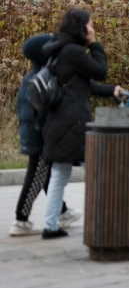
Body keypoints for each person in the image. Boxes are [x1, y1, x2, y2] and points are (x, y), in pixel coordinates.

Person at [39, 9, 124, 239]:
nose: (93, 28)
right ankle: (109, 220)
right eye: (91, 25)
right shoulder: (73, 52)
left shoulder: (58, 51)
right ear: (82, 27)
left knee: (60, 173)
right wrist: (96, 45)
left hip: (58, 122)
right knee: (98, 170)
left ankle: (50, 226)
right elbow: (100, 71)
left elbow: (84, 85)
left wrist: (111, 91)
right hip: (73, 124)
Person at [10, 34, 79, 236]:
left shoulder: (32, 77)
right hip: (39, 136)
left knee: (46, 176)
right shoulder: (42, 79)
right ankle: (20, 219)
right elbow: (40, 112)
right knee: (36, 177)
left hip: (33, 133)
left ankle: (63, 212)